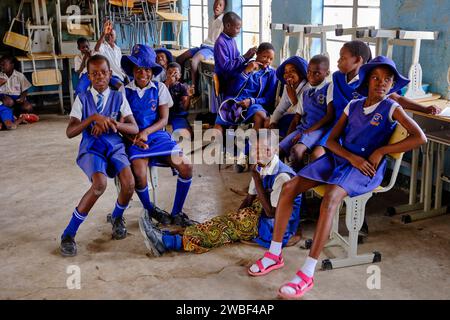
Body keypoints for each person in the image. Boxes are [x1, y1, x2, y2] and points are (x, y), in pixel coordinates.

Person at [248, 56, 427, 299]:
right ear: (366, 80)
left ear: (393, 84)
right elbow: (331, 141)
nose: (381, 83)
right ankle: (274, 253)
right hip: (341, 158)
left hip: (365, 169)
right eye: (376, 78)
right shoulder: (352, 106)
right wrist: (349, 157)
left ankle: (307, 273)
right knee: (289, 187)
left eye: (387, 80)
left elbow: (420, 138)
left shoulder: (391, 108)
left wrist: (380, 151)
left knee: (330, 198)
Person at [138, 133, 302, 257]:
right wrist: (235, 216)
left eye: (264, 150)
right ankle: (166, 235)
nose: (259, 154)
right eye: (256, 150)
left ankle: (167, 243)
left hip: (275, 225)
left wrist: (257, 181)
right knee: (222, 221)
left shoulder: (283, 176)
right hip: (261, 211)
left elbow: (272, 214)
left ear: (274, 150)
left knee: (222, 230)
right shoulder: (261, 164)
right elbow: (250, 198)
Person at [59, 54, 139, 257]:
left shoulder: (118, 97)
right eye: (94, 74)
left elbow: (133, 127)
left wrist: (114, 124)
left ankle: (117, 216)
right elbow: (70, 132)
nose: (100, 77)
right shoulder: (82, 98)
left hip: (114, 145)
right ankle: (69, 234)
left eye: (104, 72)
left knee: (129, 183)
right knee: (99, 185)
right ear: (88, 76)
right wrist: (94, 118)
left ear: (110, 73)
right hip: (92, 147)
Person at [121, 45, 196, 228]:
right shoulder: (124, 91)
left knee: (186, 166)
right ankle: (151, 209)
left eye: (147, 69)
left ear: (152, 71)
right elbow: (121, 123)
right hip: (135, 139)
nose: (143, 73)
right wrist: (135, 138)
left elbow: (164, 120)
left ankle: (177, 212)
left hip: (157, 135)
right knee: (139, 173)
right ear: (132, 70)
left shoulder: (160, 87)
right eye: (138, 69)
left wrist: (147, 132)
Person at [279, 55, 333, 170]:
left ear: (327, 73)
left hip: (318, 129)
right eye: (309, 72)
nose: (311, 76)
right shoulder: (305, 93)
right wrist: (287, 139)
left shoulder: (329, 88)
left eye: (316, 73)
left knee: (296, 151)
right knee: (277, 150)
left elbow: (329, 116)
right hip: (302, 128)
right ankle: (276, 179)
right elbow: (296, 119)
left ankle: (296, 178)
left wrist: (307, 132)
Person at [215, 42, 277, 132]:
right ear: (257, 54)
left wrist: (252, 101)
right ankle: (217, 144)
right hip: (235, 99)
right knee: (220, 124)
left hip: (255, 103)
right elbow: (232, 90)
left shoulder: (271, 74)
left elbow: (269, 99)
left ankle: (251, 145)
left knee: (260, 116)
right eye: (265, 56)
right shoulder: (244, 66)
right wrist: (246, 71)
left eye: (271, 59)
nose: (268, 61)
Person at [176, 0, 227, 96]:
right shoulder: (212, 18)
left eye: (220, 5)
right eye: (216, 4)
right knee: (180, 58)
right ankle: (181, 85)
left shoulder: (223, 20)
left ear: (223, 8)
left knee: (194, 61)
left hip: (211, 49)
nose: (217, 6)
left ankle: (194, 89)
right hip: (203, 46)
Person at [214, 11, 257, 97]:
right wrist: (245, 56)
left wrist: (248, 58)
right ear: (228, 26)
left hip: (232, 75)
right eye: (237, 28)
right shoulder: (220, 42)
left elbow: (236, 60)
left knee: (252, 67)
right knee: (247, 82)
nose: (239, 31)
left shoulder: (232, 40)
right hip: (226, 80)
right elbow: (227, 66)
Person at [267, 56, 309, 138]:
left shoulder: (308, 88)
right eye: (285, 71)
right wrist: (273, 123)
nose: (288, 74)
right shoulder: (288, 87)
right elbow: (280, 108)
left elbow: (302, 113)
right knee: (269, 125)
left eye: (292, 70)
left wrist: (293, 97)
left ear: (300, 73)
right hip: (288, 119)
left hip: (301, 122)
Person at [94, 20, 126, 90]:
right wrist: (103, 33)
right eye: (107, 35)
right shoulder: (103, 46)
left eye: (111, 35)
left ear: (115, 37)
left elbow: (119, 65)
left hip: (120, 75)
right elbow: (96, 49)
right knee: (121, 87)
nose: (109, 37)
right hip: (110, 76)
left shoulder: (118, 49)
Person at [165, 62, 193, 136]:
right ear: (166, 74)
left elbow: (185, 107)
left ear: (180, 75)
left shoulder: (182, 87)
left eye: (175, 73)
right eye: (170, 73)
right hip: (163, 115)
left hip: (177, 115)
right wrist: (167, 85)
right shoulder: (161, 85)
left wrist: (189, 96)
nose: (172, 75)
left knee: (187, 134)